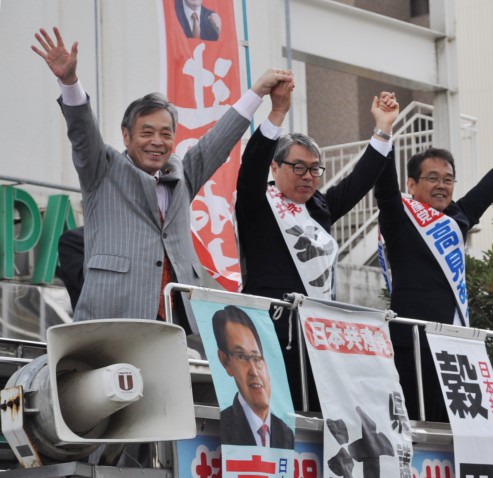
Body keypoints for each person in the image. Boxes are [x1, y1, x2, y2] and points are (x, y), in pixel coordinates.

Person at [32, 26, 292, 333]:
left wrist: (258, 92)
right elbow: (82, 132)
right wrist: (69, 81)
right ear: (126, 136)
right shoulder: (102, 170)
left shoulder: (181, 175)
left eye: (165, 133)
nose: (157, 141)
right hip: (115, 317)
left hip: (177, 320)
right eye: (146, 132)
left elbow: (218, 141)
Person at [375, 114, 493, 422]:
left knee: (463, 429)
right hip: (413, 343)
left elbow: (490, 185)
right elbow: (385, 186)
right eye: (432, 178)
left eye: (448, 179)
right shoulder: (398, 215)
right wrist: (383, 131)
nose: (442, 185)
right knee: (419, 427)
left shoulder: (457, 217)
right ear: (411, 184)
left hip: (457, 345)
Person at [235, 85, 399, 411]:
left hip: (318, 335)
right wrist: (277, 113)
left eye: (314, 169)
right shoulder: (258, 202)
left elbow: (360, 180)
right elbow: (250, 166)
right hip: (269, 330)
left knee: (320, 416)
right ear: (275, 167)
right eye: (298, 167)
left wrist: (384, 128)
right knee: (278, 415)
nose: (307, 176)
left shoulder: (320, 207)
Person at [213, 305, 294, 449]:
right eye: (242, 356)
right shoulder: (222, 425)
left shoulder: (286, 432)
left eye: (257, 358)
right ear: (225, 360)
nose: (254, 372)